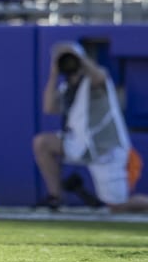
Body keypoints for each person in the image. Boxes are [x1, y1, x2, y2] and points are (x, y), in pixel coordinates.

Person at [32, 41, 148, 212]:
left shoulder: (96, 81)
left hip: (106, 148)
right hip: (80, 144)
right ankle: (55, 197)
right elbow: (49, 107)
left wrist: (77, 56)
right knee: (43, 143)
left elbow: (99, 76)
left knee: (118, 206)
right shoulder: (67, 89)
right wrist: (54, 72)